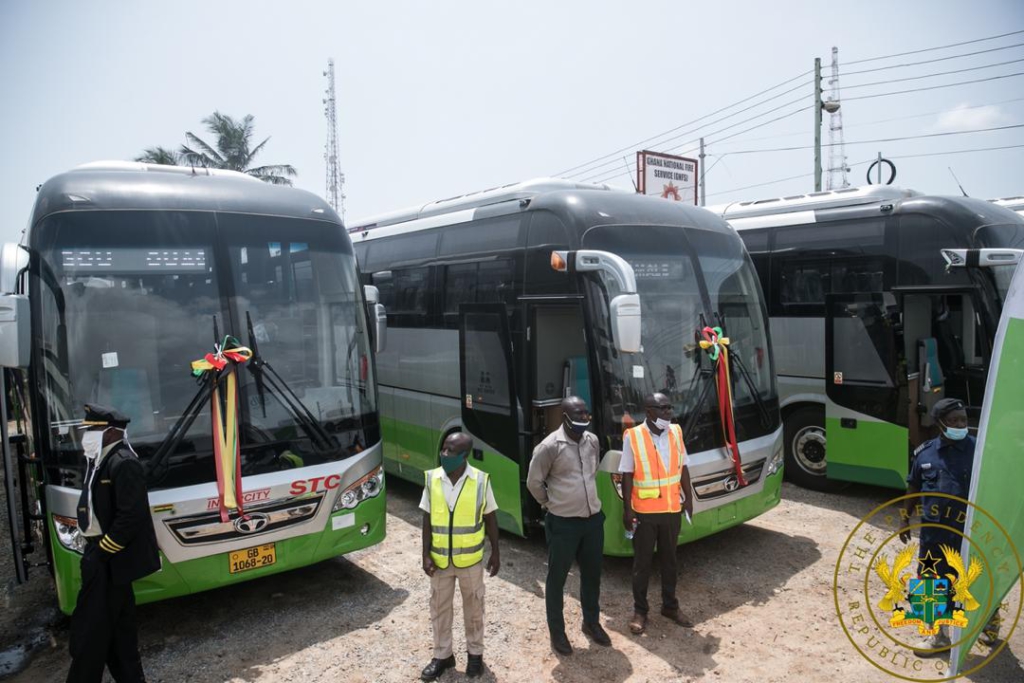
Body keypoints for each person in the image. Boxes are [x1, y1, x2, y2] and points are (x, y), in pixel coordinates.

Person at [67, 404, 161, 683]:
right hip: (102, 558)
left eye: (92, 430)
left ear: (109, 433)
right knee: (119, 634)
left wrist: (102, 553)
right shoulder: (99, 460)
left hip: (109, 561)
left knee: (89, 632)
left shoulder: (123, 462)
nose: (87, 435)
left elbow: (131, 517)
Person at [899, 397, 1000, 655]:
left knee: (977, 579)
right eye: (954, 420)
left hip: (970, 533)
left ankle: (987, 625)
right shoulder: (925, 453)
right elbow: (913, 485)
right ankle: (937, 637)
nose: (960, 424)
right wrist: (904, 518)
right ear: (940, 422)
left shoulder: (978, 451)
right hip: (934, 533)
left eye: (963, 420)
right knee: (930, 584)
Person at [526, 396, 610, 655]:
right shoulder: (549, 447)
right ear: (564, 417)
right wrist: (550, 504)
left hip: (593, 520)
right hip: (563, 523)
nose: (584, 417)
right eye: (578, 413)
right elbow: (534, 483)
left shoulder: (592, 441)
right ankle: (558, 633)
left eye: (586, 413)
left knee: (592, 575)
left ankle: (591, 622)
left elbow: (591, 474)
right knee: (557, 579)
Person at [419, 432, 500, 681]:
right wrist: (425, 554)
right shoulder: (433, 478)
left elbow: (490, 517)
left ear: (464, 456)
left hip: (470, 561)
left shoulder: (480, 481)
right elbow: (427, 518)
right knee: (439, 609)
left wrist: (496, 551)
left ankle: (475, 655)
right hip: (440, 560)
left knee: (474, 608)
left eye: (451, 451)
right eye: (443, 449)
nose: (444, 454)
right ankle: (443, 656)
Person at [619, 393, 694, 635]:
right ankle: (640, 611)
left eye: (670, 407)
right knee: (642, 564)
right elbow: (627, 473)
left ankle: (670, 606)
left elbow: (682, 466)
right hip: (645, 513)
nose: (668, 412)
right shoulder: (633, 436)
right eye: (663, 408)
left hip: (672, 509)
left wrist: (689, 498)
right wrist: (627, 509)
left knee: (670, 561)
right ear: (649, 411)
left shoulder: (676, 432)